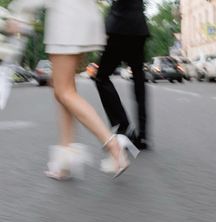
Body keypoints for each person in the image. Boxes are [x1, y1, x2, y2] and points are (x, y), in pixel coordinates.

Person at [7, 0, 139, 179]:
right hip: (83, 18)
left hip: (66, 21)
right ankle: (65, 161)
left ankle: (113, 145)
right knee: (62, 88)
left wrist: (18, 13)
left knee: (64, 92)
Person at [95, 0, 149, 150]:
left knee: (101, 77)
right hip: (138, 28)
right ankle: (143, 136)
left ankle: (123, 125)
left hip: (118, 27)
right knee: (139, 81)